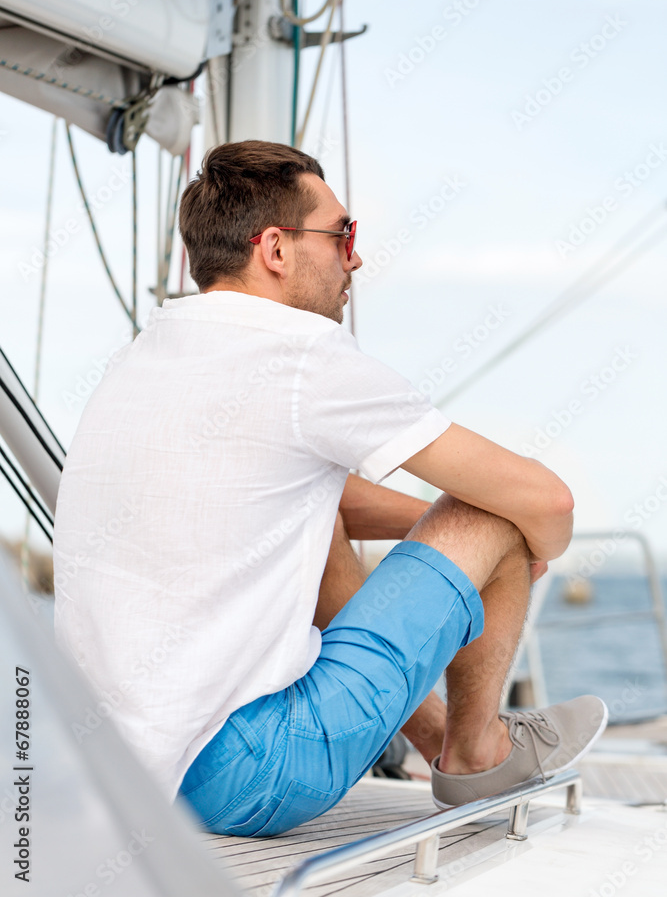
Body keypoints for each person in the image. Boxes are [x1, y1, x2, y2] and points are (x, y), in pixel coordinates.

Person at [53, 140, 607, 838]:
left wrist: (438, 533)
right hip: (250, 776)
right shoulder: (299, 355)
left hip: (116, 769)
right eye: (342, 234)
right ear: (275, 249)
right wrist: (515, 543)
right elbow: (548, 501)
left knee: (320, 506)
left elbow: (312, 498)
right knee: (494, 512)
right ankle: (476, 755)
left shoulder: (143, 354)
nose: (356, 258)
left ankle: (434, 740)